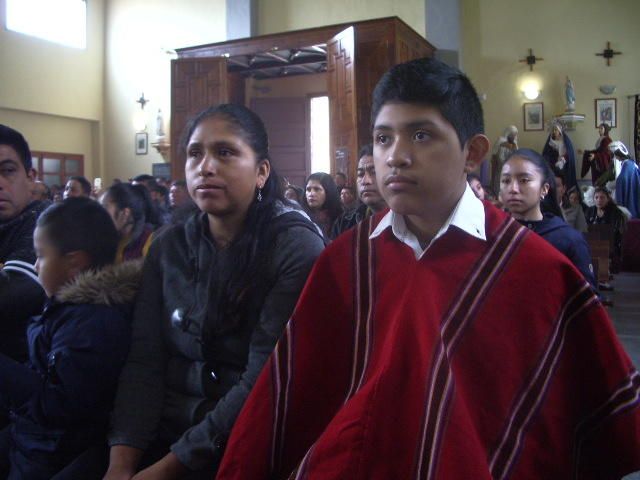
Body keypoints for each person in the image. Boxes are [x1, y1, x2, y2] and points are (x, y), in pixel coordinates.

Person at [217, 57, 640, 480]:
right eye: (383, 139)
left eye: (421, 135)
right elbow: (291, 399)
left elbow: (583, 419)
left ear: (472, 152)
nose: (396, 157)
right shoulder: (345, 262)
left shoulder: (534, 269)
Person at [104, 104, 325, 480]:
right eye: (195, 153)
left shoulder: (294, 247)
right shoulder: (169, 244)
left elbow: (263, 381)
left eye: (225, 152)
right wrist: (121, 465)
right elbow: (145, 360)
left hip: (250, 439)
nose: (205, 166)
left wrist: (164, 471)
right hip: (164, 428)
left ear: (261, 172)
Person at [0, 197, 140, 480]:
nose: (36, 267)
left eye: (40, 255)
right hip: (32, 436)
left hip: (54, 450)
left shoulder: (94, 323)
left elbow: (59, 406)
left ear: (74, 264)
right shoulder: (67, 308)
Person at [501, 149, 595, 291]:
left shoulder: (568, 240)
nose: (513, 188)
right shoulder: (492, 234)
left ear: (544, 189)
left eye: (524, 180)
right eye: (506, 180)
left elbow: (588, 302)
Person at [0, 125, 47, 364]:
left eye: (7, 171)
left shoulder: (46, 221)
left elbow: (12, 296)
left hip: (25, 370)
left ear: (30, 177)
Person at [330, 144, 388, 238]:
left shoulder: (412, 222)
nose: (365, 181)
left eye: (374, 172)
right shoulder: (344, 223)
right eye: (360, 174)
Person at [100, 183, 157, 263]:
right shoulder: (108, 238)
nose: (99, 213)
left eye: (105, 207)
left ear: (125, 213)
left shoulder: (149, 241)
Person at [586, 186, 627, 274]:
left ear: (608, 199)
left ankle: (601, 275)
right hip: (591, 241)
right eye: (596, 197)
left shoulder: (615, 212)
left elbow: (615, 233)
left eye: (602, 197)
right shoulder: (590, 211)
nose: (599, 200)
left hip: (609, 243)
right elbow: (585, 228)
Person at [302, 172, 342, 240]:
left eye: (317, 189)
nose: (311, 194)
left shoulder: (342, 219)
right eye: (308, 189)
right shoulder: (301, 216)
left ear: (328, 191)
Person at [542, 121, 578, 193]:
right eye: (553, 130)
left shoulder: (565, 141)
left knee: (565, 182)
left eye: (556, 130)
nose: (554, 131)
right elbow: (546, 154)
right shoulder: (550, 142)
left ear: (560, 131)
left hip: (565, 166)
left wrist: (563, 159)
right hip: (552, 166)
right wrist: (553, 160)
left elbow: (569, 153)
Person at [610, 141, 640, 219]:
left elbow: (622, 179)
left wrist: (611, 184)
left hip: (631, 195)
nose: (614, 157)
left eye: (615, 154)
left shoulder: (628, 165)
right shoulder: (629, 163)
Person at [490, 125, 518, 193]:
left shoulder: (514, 143)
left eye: (515, 134)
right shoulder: (501, 141)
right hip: (500, 167)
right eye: (512, 134)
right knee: (499, 182)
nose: (514, 136)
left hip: (511, 167)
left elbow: (516, 153)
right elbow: (497, 154)